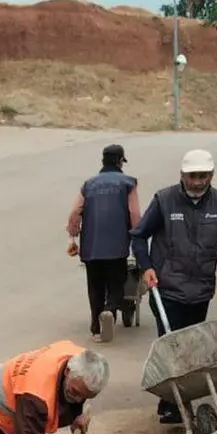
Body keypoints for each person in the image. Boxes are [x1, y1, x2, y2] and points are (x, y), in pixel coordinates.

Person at [131, 148, 217, 424]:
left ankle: (180, 398)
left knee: (193, 348)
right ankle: (172, 404)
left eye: (203, 176)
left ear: (211, 176)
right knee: (172, 345)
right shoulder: (164, 200)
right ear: (182, 175)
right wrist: (147, 267)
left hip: (201, 288)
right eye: (193, 176)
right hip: (167, 287)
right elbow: (138, 237)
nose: (198, 182)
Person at [66, 144, 141, 344]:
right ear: (119, 162)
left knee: (95, 285)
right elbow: (134, 214)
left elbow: (75, 212)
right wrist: (138, 239)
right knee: (117, 281)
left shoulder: (88, 184)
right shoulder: (128, 183)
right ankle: (109, 310)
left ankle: (97, 329)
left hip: (91, 245)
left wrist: (72, 235)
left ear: (103, 161)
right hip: (117, 245)